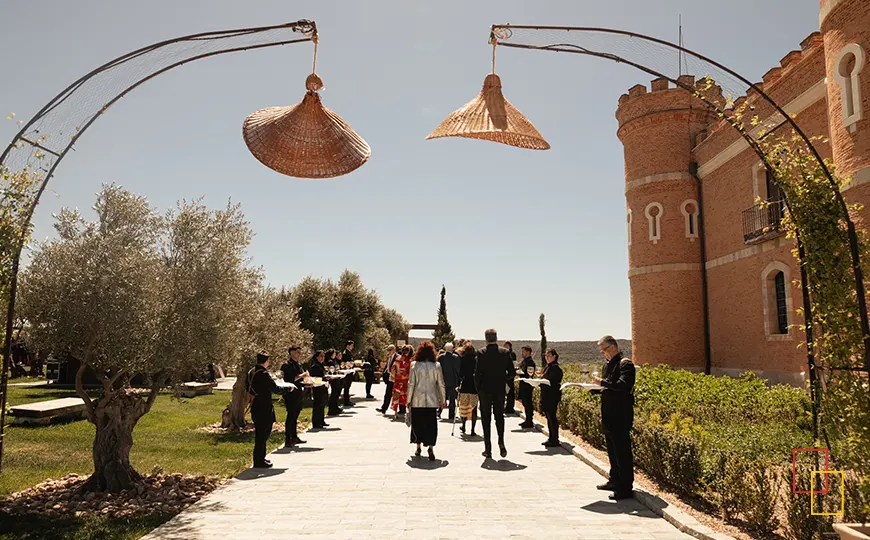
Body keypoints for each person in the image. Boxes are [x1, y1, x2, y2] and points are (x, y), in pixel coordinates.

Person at [596, 335, 636, 500]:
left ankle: (625, 487)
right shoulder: (608, 365)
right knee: (612, 450)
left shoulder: (625, 365)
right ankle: (614, 479)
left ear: (612, 348)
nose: (602, 354)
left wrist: (602, 384)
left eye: (603, 350)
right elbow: (607, 387)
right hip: (609, 414)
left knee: (622, 452)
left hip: (621, 415)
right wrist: (593, 388)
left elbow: (622, 386)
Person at [474, 329, 514, 459]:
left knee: (486, 420)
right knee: (499, 417)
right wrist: (504, 380)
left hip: (485, 390)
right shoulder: (505, 352)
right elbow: (512, 373)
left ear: (486, 339)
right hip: (499, 389)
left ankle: (488, 449)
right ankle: (501, 442)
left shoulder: (481, 353)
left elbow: (477, 373)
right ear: (496, 338)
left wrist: (478, 389)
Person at [406, 341, 447, 461]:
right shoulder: (437, 365)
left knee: (417, 424)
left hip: (417, 400)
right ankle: (430, 447)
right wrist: (443, 400)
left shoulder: (414, 365)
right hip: (432, 400)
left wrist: (408, 400)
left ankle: (418, 446)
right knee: (431, 424)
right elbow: (441, 384)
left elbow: (411, 384)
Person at [245, 352, 287, 468]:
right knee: (263, 433)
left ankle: (261, 457)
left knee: (261, 433)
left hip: (256, 404)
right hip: (264, 406)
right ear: (267, 361)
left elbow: (247, 387)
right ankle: (259, 461)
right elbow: (275, 388)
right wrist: (288, 389)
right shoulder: (263, 374)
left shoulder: (251, 371)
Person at [280, 346, 308, 447]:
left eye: (300, 352)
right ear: (291, 353)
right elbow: (289, 379)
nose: (299, 354)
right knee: (291, 416)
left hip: (299, 393)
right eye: (297, 352)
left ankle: (294, 436)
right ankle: (288, 439)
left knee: (295, 415)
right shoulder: (286, 365)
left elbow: (301, 379)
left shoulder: (298, 365)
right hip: (291, 393)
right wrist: (301, 376)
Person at [540, 348, 564, 447]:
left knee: (552, 417)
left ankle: (555, 439)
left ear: (554, 356)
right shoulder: (548, 367)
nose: (547, 358)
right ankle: (551, 437)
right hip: (547, 395)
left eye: (549, 356)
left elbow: (553, 382)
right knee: (549, 417)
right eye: (546, 356)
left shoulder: (555, 368)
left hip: (552, 396)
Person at [457, 342, 479, 436]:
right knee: (473, 408)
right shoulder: (476, 359)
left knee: (464, 407)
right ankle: (473, 429)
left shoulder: (462, 359)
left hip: (465, 386)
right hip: (474, 386)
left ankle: (463, 425)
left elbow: (460, 373)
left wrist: (458, 385)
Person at [437, 342, 460, 420]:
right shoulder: (456, 357)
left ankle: (439, 412)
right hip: (453, 381)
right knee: (452, 399)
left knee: (442, 398)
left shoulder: (440, 357)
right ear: (452, 349)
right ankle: (451, 415)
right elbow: (457, 370)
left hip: (442, 381)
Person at [308, 350, 329, 429]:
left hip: (323, 387)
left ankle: (321, 420)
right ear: (316, 357)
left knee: (322, 404)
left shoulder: (321, 365)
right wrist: (324, 379)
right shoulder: (315, 366)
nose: (322, 358)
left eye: (323, 356)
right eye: (321, 356)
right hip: (318, 388)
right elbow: (314, 378)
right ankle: (316, 422)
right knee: (318, 405)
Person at [517, 346, 537, 429]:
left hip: (527, 385)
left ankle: (529, 420)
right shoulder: (524, 361)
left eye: (524, 352)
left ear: (529, 352)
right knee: (525, 403)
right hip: (523, 384)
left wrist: (521, 373)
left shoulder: (530, 362)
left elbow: (530, 374)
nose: (522, 353)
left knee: (528, 403)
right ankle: (527, 419)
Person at [390, 345, 412, 415]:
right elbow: (410, 372)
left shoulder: (397, 359)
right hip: (405, 381)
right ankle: (408, 411)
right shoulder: (409, 361)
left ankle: (395, 412)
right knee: (406, 396)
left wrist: (395, 376)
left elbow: (392, 370)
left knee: (396, 396)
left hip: (398, 380)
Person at [378, 345, 398, 413]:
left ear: (394, 350)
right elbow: (387, 366)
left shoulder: (397, 357)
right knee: (387, 393)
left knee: (397, 394)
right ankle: (384, 408)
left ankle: (401, 409)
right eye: (388, 350)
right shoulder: (389, 357)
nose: (389, 351)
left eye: (390, 349)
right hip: (390, 378)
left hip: (395, 378)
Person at [324, 349, 343, 416]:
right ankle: (332, 409)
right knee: (334, 393)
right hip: (333, 379)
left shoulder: (334, 361)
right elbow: (331, 370)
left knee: (336, 393)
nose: (335, 355)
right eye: (334, 353)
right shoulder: (330, 361)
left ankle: (335, 408)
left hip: (336, 377)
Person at [503, 340, 518, 414]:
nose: (505, 347)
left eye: (506, 345)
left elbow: (513, 364)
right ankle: (506, 406)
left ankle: (510, 407)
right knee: (505, 391)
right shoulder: (504, 353)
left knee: (510, 392)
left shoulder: (512, 354)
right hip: (505, 375)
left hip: (510, 375)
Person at [341, 341, 355, 407]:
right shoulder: (345, 353)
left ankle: (347, 400)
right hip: (347, 371)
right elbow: (346, 362)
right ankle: (346, 401)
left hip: (350, 371)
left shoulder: (349, 352)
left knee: (348, 386)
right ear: (348, 345)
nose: (352, 347)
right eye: (351, 345)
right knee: (346, 386)